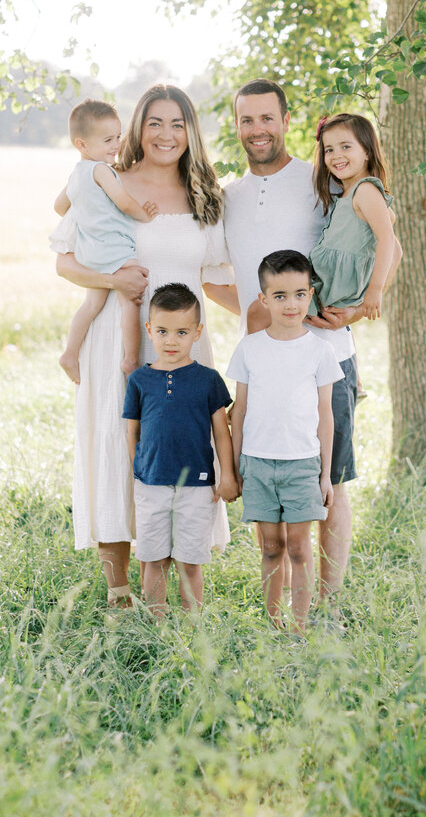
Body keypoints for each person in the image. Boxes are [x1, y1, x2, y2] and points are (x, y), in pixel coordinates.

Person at [216, 79, 399, 607]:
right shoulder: (231, 196)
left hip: (327, 356)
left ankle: (329, 604)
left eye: (267, 118)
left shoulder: (322, 181)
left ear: (286, 120)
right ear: (236, 125)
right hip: (262, 365)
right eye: (246, 120)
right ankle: (282, 606)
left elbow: (383, 242)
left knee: (330, 480)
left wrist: (360, 308)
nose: (257, 129)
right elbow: (212, 279)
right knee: (269, 478)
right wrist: (265, 314)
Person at [51, 85, 233, 611]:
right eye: (154, 123)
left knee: (180, 450)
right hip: (117, 336)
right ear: (137, 128)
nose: (166, 134)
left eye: (177, 124)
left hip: (187, 345)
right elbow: (63, 260)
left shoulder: (206, 196)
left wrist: (280, 320)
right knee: (116, 445)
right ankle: (120, 595)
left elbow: (216, 281)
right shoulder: (108, 182)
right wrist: (112, 280)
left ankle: (177, 593)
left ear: (190, 131)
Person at [228, 250, 342, 633]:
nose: (289, 304)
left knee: (298, 547)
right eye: (279, 295)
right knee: (270, 547)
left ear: (310, 294)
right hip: (258, 463)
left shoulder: (320, 351)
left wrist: (325, 474)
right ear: (263, 299)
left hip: (302, 463)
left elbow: (325, 416)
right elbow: (239, 411)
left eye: (297, 294)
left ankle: (300, 624)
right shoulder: (250, 348)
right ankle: (272, 622)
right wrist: (236, 464)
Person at [123, 283, 238, 618]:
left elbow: (221, 431)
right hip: (151, 485)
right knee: (153, 559)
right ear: (149, 330)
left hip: (197, 487)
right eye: (162, 331)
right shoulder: (140, 381)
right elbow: (133, 429)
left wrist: (227, 476)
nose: (171, 341)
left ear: (197, 333)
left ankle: (192, 628)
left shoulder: (208, 379)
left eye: (181, 332)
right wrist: (139, 470)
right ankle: (156, 626)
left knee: (189, 561)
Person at [55, 99, 158, 385]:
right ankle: (130, 359)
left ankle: (69, 353)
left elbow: (58, 206)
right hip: (115, 249)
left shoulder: (76, 175)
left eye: (118, 137)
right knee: (130, 301)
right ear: (82, 144)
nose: (116, 145)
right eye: (107, 140)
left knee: (91, 306)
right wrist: (143, 213)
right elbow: (123, 201)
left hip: (91, 252)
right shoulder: (101, 170)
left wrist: (86, 206)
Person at [309, 112, 401, 320]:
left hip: (337, 292)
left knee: (263, 312)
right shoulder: (348, 192)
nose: (336, 155)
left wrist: (375, 290)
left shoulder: (366, 190)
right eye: (329, 149)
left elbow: (387, 240)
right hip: (324, 284)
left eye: (346, 146)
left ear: (367, 151)